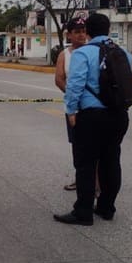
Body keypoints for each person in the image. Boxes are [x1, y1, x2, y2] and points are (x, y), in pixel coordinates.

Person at [55, 13, 131, 226]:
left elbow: (75, 85)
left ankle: (83, 212)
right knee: (111, 161)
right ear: (107, 30)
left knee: (86, 164)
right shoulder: (123, 52)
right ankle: (107, 208)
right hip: (118, 115)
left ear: (87, 31)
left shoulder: (84, 53)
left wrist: (71, 111)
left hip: (91, 117)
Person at [54, 16, 89, 192]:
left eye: (83, 31)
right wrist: (73, 96)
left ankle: (96, 182)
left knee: (93, 146)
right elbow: (59, 79)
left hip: (92, 108)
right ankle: (79, 177)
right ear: (69, 35)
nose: (82, 35)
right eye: (77, 32)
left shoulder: (93, 51)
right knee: (77, 145)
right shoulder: (65, 54)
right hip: (73, 108)